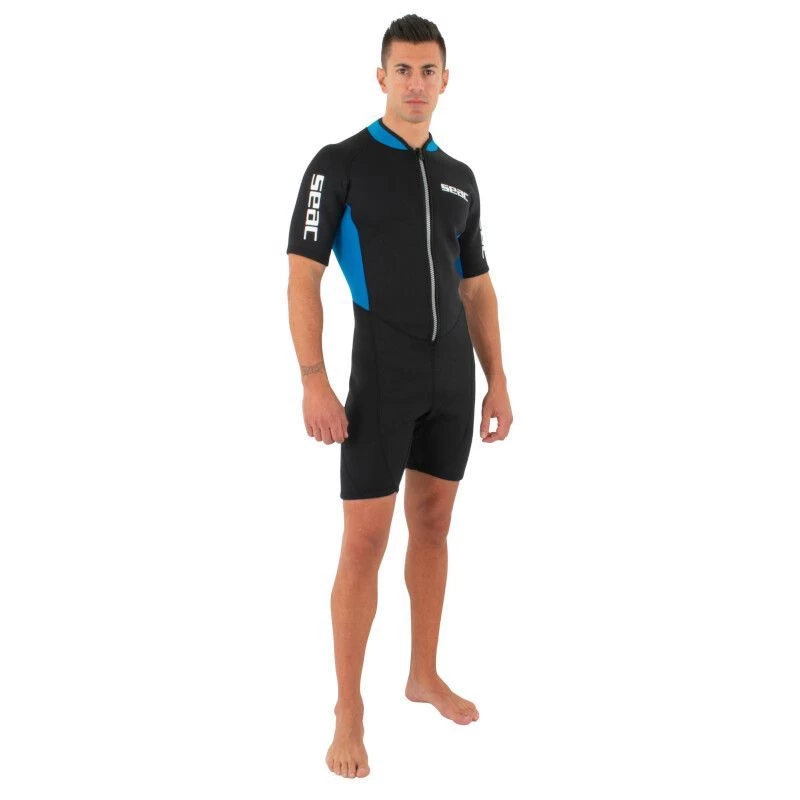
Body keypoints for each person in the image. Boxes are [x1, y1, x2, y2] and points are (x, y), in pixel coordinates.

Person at [285, 13, 512, 779]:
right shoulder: (338, 165)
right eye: (404, 70)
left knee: (435, 526)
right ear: (381, 77)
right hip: (380, 378)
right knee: (364, 543)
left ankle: (423, 674)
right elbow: (302, 277)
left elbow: (476, 289)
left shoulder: (460, 178)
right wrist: (313, 379)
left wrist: (498, 379)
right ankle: (348, 709)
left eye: (429, 71)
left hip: (451, 380)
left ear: (446, 80)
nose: (416, 83)